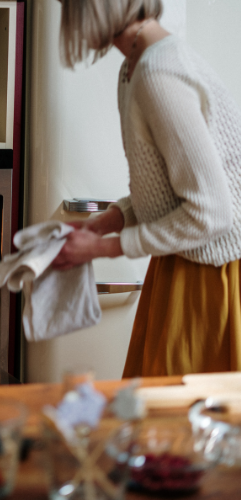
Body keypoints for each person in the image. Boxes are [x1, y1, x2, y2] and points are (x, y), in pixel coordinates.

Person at [52, 0, 241, 377]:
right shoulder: (134, 65)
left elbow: (212, 213)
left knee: (181, 423)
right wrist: (108, 221)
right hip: (180, 263)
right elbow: (168, 189)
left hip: (208, 277)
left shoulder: (159, 72)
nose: (66, 16)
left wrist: (104, 248)